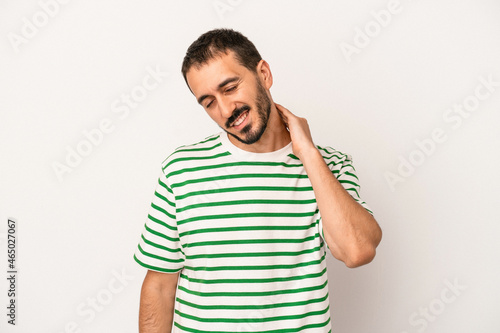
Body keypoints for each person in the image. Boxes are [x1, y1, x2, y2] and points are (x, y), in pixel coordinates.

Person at [134, 28, 382, 333]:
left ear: (263, 73)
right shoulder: (180, 170)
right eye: (208, 102)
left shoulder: (329, 165)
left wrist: (307, 153)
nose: (225, 110)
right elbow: (159, 285)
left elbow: (357, 251)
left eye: (230, 88)